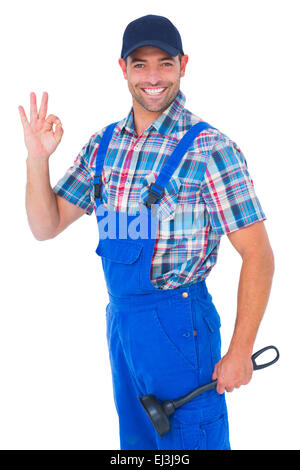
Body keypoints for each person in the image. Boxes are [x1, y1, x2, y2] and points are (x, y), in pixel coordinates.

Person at [19, 14, 274, 450]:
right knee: (137, 447)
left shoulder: (211, 149)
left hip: (181, 328)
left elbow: (258, 254)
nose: (152, 77)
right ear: (123, 68)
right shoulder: (104, 146)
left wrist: (239, 350)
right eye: (140, 64)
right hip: (122, 326)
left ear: (183, 64)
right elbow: (46, 226)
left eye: (164, 63)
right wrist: (37, 160)